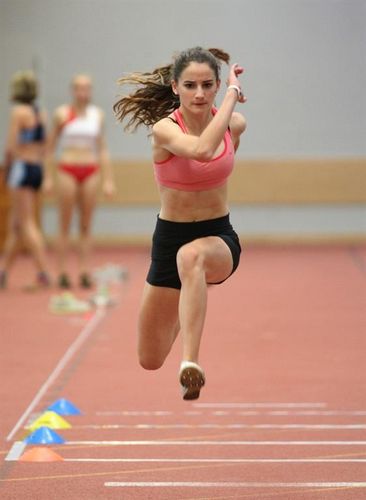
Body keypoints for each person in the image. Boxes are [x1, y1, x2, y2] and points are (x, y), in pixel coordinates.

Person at [114, 47, 247, 400]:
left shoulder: (235, 125)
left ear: (217, 85)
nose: (199, 94)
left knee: (192, 258)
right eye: (190, 85)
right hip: (170, 237)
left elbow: (219, 151)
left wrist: (231, 101)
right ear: (175, 87)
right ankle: (193, 294)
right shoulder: (164, 130)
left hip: (218, 237)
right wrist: (234, 93)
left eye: (208, 85)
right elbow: (203, 150)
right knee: (150, 358)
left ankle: (191, 364)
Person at [45, 74, 115, 289]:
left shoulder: (97, 115)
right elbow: (49, 148)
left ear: (90, 91)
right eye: (79, 88)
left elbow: (102, 148)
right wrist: (48, 177)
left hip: (90, 168)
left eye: (86, 88)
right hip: (67, 167)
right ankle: (62, 271)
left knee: (85, 224)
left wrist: (108, 179)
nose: (83, 92)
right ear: (72, 90)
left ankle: (84, 271)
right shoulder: (62, 114)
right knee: (65, 223)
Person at [0, 71, 51, 290]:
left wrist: (6, 170)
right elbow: (44, 146)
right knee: (16, 225)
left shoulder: (18, 112)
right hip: (36, 167)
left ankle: (43, 271)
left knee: (27, 223)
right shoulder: (41, 113)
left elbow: (11, 146)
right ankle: (4, 272)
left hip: (21, 167)